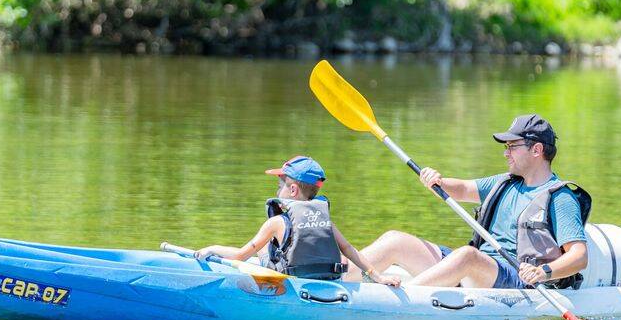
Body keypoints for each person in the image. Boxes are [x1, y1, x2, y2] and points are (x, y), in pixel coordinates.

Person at [354, 115, 590, 289]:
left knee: (467, 255)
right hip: (479, 268)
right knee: (396, 240)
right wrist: (438, 181)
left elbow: (579, 256)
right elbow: (463, 189)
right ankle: (334, 282)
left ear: (537, 149)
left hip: (518, 277)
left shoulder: (560, 197)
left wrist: (543, 272)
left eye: (512, 147)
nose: (506, 153)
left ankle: (401, 300)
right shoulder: (504, 182)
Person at [197, 156, 401, 286]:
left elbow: (240, 255)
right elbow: (348, 248)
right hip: (328, 279)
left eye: (280, 185)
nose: (277, 191)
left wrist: (211, 248)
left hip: (293, 280)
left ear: (292, 190)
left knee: (263, 247)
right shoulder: (324, 218)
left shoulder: (276, 222)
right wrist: (378, 277)